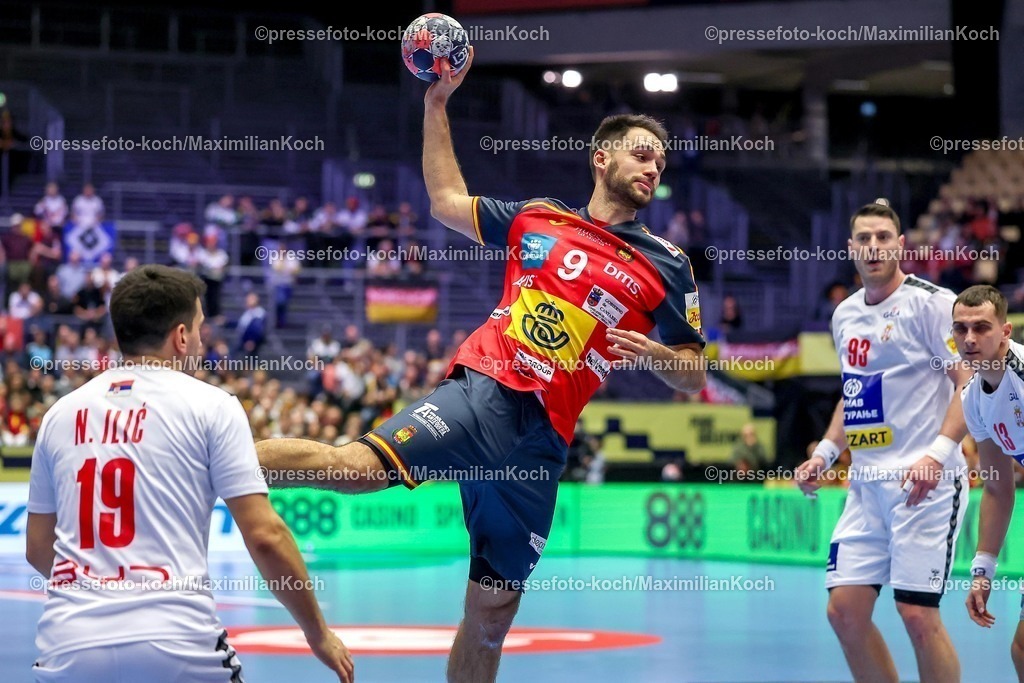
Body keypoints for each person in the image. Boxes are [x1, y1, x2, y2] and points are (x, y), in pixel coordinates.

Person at [256, 46, 707, 683]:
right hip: (485, 391)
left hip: (544, 440)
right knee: (355, 468)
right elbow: (446, 199)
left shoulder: (667, 264)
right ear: (602, 158)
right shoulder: (538, 219)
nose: (653, 166)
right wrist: (436, 103)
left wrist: (661, 354)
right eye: (641, 153)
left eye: (660, 160)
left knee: (492, 617)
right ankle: (208, 459)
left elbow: (693, 373)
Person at [25, 264, 352, 682]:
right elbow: (266, 537)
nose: (201, 339)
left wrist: (99, 590)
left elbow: (38, 547)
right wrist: (318, 634)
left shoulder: (59, 415)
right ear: (181, 336)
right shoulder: (212, 405)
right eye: (199, 328)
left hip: (69, 647)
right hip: (177, 643)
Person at [795, 200, 972, 683]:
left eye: (883, 237)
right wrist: (825, 454)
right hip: (866, 485)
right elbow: (854, 392)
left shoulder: (933, 304)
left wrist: (937, 455)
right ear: (851, 248)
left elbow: (968, 382)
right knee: (844, 612)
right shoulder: (844, 314)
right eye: (864, 238)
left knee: (917, 615)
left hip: (924, 483)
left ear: (900, 245)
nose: (873, 247)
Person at [950, 285, 1024, 680]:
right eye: (960, 328)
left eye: (981, 327)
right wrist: (983, 571)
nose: (969, 338)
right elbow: (997, 486)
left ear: (1005, 331)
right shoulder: (973, 399)